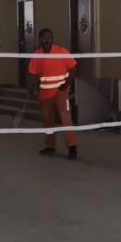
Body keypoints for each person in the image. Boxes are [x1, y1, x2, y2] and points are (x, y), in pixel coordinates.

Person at [27, 28, 79, 159]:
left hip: (60, 91)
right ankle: (50, 146)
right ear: (40, 39)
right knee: (47, 120)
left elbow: (73, 68)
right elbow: (32, 73)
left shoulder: (61, 51)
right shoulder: (36, 55)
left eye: (49, 37)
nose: (47, 40)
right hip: (45, 93)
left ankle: (72, 147)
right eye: (44, 38)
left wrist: (66, 84)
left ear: (52, 39)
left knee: (65, 118)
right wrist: (35, 87)